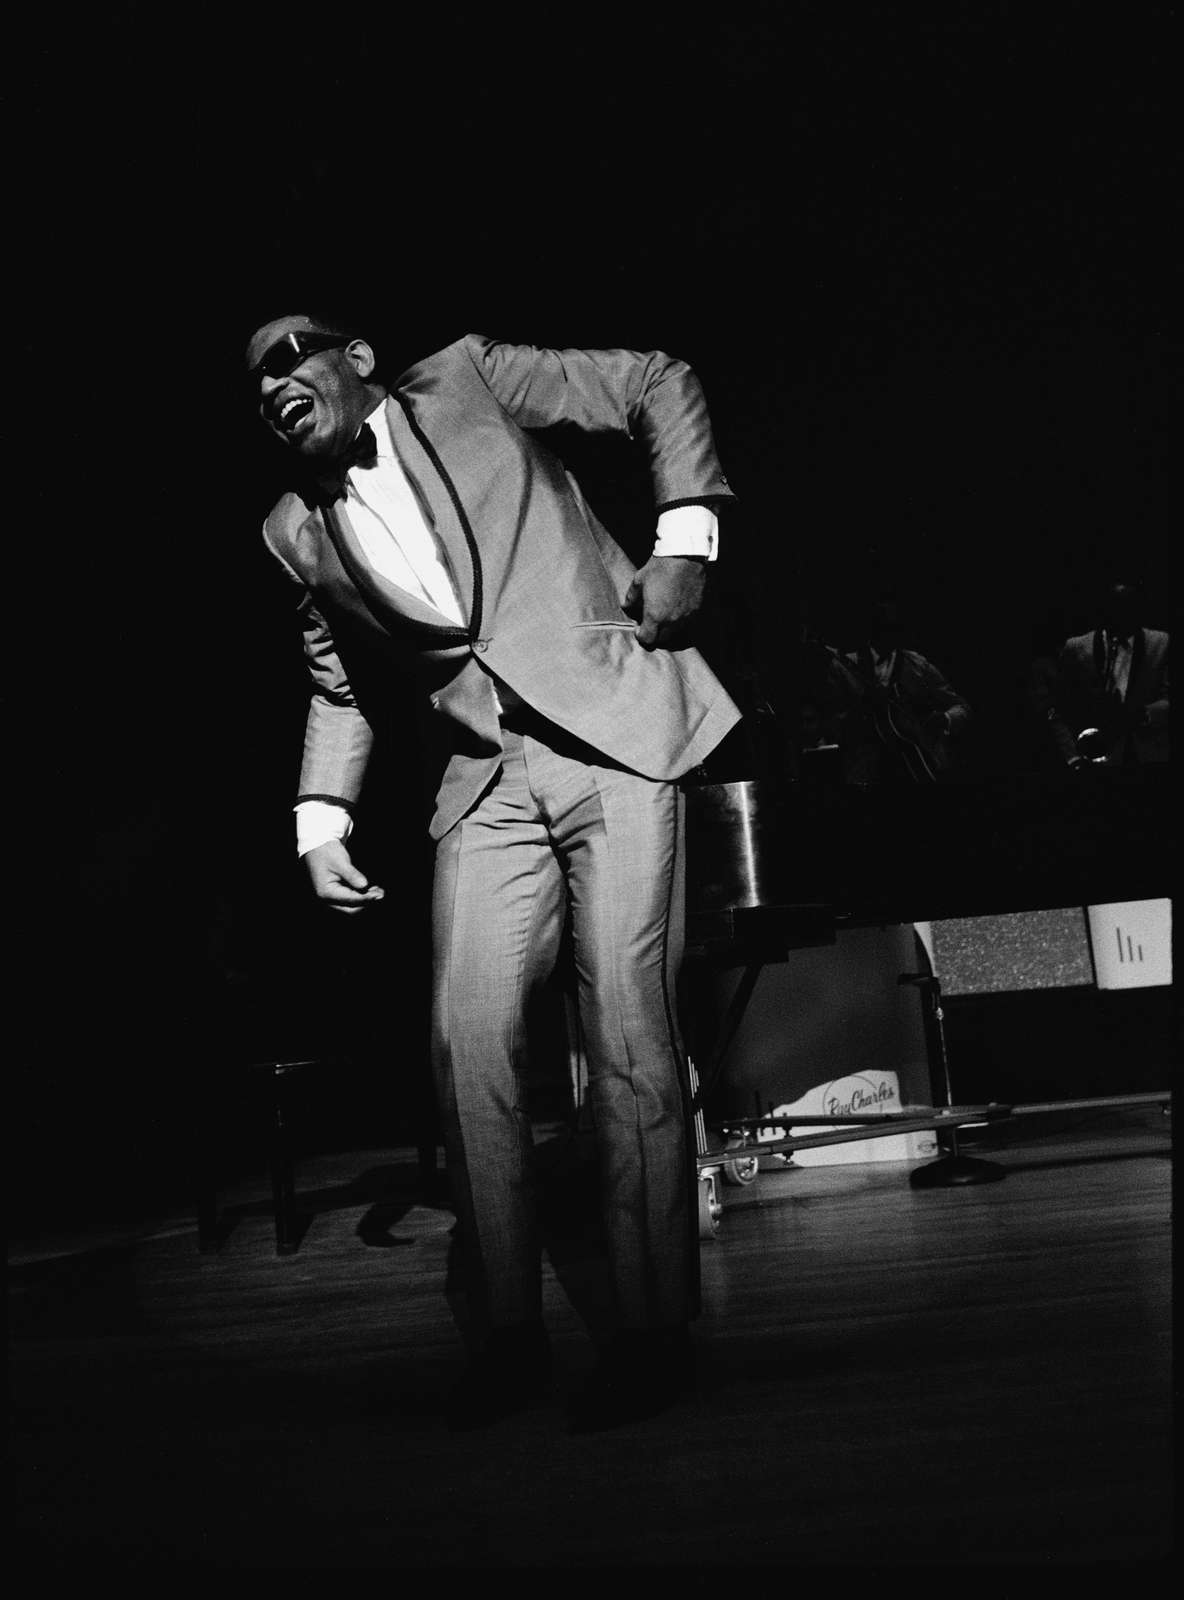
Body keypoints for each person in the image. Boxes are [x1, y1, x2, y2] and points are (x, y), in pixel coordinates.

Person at [245, 313, 740, 1432]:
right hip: (483, 785)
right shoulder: (291, 531)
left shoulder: (465, 380)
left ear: (354, 358)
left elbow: (657, 378)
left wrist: (684, 539)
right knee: (464, 1043)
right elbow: (338, 688)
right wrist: (319, 822)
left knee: (625, 1023)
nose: (273, 383)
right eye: (255, 383)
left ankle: (651, 1331)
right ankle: (509, 1335)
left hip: (607, 732)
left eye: (289, 356)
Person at [821, 598, 972, 783]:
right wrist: (862, 710)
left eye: (894, 628)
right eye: (884, 628)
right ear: (872, 631)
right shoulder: (844, 668)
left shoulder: (918, 665)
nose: (890, 635)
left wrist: (945, 719)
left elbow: (960, 706)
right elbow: (830, 725)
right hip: (868, 773)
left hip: (920, 766)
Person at [1046, 580, 1170, 771]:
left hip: (1149, 757)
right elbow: (1057, 706)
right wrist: (1073, 757)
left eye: (1129, 607)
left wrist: (1142, 715)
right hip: (1091, 761)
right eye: (1116, 608)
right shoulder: (1076, 647)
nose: (1122, 616)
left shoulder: (1162, 643)